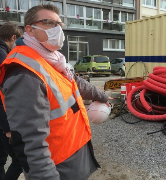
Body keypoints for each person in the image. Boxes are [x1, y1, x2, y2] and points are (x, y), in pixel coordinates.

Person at [0, 4, 111, 180]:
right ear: (29, 29)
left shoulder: (52, 59)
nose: (58, 29)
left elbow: (75, 82)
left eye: (59, 24)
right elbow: (31, 145)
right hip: (58, 166)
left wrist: (102, 96)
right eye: (49, 23)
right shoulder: (24, 73)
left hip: (73, 156)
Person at [0, 22, 23, 180]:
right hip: (3, 122)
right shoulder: (3, 56)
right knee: (20, 160)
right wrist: (7, 126)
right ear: (13, 37)